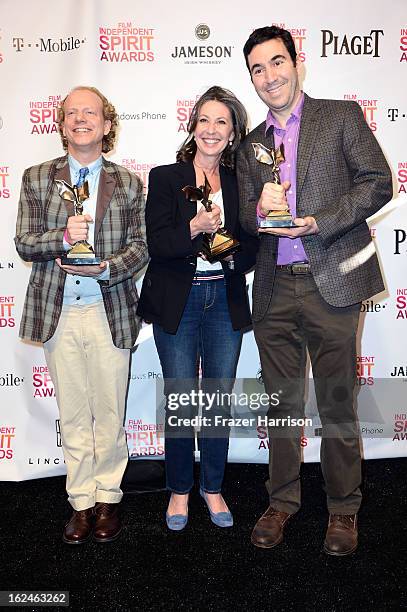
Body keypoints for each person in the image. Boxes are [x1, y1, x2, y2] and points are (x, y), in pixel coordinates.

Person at [237, 27, 392, 555]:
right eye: (258, 69)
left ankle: (344, 510)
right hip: (275, 288)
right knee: (281, 405)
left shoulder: (340, 116)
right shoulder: (251, 145)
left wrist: (317, 222)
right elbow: (241, 217)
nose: (269, 76)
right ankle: (281, 501)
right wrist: (259, 212)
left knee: (337, 403)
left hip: (333, 282)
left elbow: (378, 181)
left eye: (277, 62)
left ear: (296, 62)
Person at [15, 86, 148, 544]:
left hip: (108, 310)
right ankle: (81, 503)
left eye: (90, 112)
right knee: (73, 414)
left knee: (109, 413)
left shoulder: (129, 182)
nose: (80, 119)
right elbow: (24, 243)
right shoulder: (36, 178)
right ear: (63, 125)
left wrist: (108, 267)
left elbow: (141, 248)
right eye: (72, 113)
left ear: (106, 125)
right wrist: (61, 236)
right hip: (59, 314)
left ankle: (108, 498)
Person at [137, 86, 257, 530]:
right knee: (182, 398)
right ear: (192, 126)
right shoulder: (166, 177)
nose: (211, 130)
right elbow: (158, 244)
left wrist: (226, 251)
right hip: (179, 302)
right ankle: (180, 491)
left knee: (219, 398)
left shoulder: (241, 183)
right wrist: (195, 227)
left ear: (233, 133)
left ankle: (213, 488)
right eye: (204, 120)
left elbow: (253, 248)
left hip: (223, 302)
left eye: (221, 122)